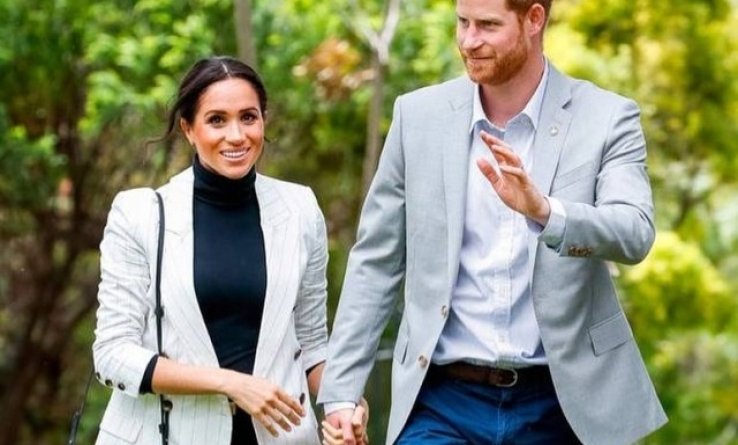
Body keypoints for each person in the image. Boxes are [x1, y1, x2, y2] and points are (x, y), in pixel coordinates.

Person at [318, 0, 667, 444]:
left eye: (487, 25)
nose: (469, 41)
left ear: (534, 19)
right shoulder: (417, 116)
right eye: (462, 22)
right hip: (440, 401)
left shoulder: (607, 116)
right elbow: (376, 261)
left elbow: (634, 231)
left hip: (562, 404)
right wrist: (342, 394)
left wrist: (545, 211)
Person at [92, 56, 366, 445]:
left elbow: (311, 347)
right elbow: (112, 354)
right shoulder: (139, 214)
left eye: (248, 117)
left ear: (263, 121)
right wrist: (230, 383)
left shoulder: (301, 209)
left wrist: (345, 404)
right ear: (189, 129)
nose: (236, 135)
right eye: (217, 120)